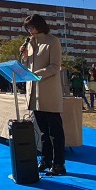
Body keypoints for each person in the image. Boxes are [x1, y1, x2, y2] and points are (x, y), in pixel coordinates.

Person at [20, 14, 65, 176]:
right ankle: (45, 160)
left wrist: (36, 74)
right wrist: (24, 57)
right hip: (34, 93)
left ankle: (59, 164)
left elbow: (55, 66)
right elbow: (26, 67)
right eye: (27, 28)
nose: (29, 31)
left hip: (48, 91)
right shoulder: (30, 44)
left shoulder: (53, 41)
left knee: (55, 131)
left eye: (31, 27)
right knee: (43, 131)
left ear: (39, 25)